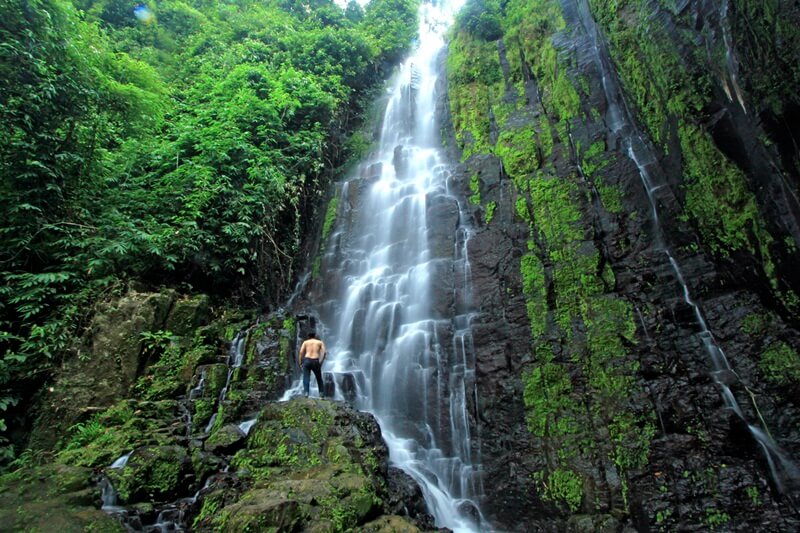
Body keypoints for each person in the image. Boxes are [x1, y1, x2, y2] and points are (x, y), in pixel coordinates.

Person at [298, 331, 326, 397]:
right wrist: (321, 362)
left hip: (307, 360)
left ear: (308, 336)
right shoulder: (320, 342)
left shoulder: (305, 342)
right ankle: (321, 394)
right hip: (316, 360)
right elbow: (324, 353)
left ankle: (306, 393)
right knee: (319, 378)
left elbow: (301, 352)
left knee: (306, 378)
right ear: (315, 336)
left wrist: (300, 362)